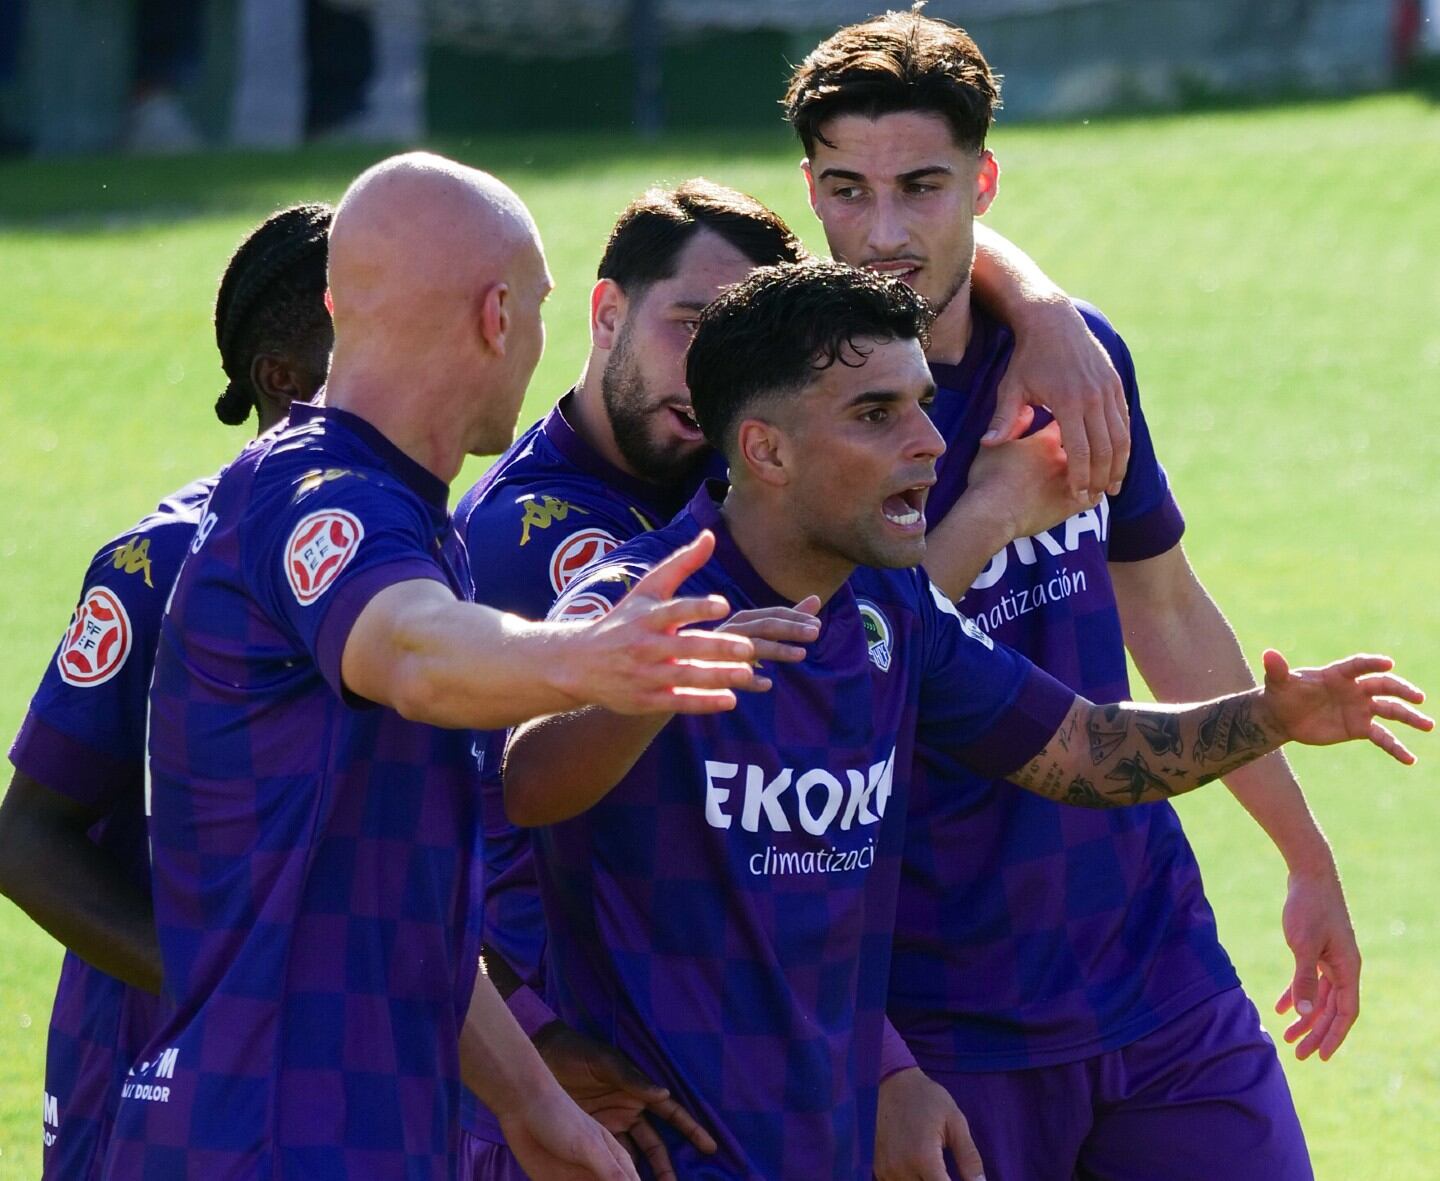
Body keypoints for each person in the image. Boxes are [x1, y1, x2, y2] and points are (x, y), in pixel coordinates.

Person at [501, 260, 1428, 1181]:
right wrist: (646, 682)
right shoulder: (639, 597)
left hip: (821, 1141)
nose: (931, 443)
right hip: (677, 1151)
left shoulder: (891, 606)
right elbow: (523, 783)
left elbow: (1084, 751)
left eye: (922, 403)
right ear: (766, 450)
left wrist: (1265, 716)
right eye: (877, 414)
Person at [451, 175, 1146, 1178]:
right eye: (690, 325)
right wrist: (530, 1041)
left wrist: (1039, 306)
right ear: (606, 314)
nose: (709, 368)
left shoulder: (739, 477)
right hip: (608, 1106)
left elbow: (857, 647)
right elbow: (480, 813)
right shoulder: (547, 545)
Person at [782, 13, 1374, 1179]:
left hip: (1157, 977)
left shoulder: (1070, 360)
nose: (885, 232)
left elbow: (1163, 607)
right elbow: (817, 693)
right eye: (848, 191)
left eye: (924, 188)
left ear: (984, 183)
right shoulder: (791, 414)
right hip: (950, 1016)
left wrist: (1306, 854)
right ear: (809, 190)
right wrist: (884, 1059)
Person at [99, 152, 760, 1181]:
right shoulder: (320, 496)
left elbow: (410, 905)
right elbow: (411, 646)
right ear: (500, 315)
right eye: (538, 309)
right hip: (272, 1130)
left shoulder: (411, 517)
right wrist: (590, 654)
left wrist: (535, 1105)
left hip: (348, 1125)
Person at [0, 202, 333, 1180]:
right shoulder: (163, 565)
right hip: (158, 1082)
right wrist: (229, 988)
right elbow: (25, 836)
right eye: (377, 332)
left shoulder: (425, 562)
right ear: (283, 379)